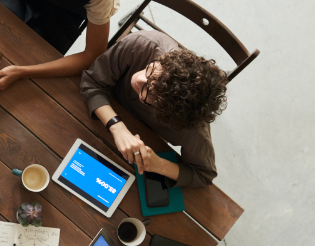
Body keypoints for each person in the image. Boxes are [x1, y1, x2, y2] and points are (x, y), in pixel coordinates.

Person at [80, 30, 228, 188]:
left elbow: (203, 175)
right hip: (96, 116)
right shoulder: (143, 44)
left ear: (165, 113)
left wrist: (158, 165)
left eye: (148, 92)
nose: (139, 78)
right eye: (151, 71)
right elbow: (92, 82)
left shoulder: (192, 127)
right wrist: (117, 127)